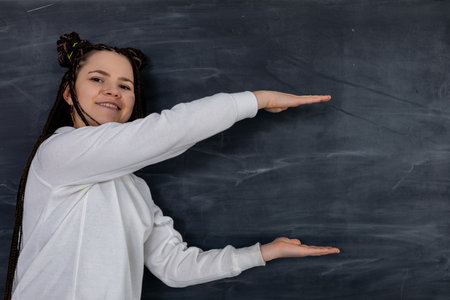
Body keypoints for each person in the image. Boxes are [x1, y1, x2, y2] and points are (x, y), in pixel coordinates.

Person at [4, 32, 340, 300]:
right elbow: (164, 131)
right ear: (68, 93)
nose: (113, 91)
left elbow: (174, 266)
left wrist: (263, 252)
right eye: (97, 79)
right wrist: (255, 100)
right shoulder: (58, 153)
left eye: (125, 85)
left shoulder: (134, 189)